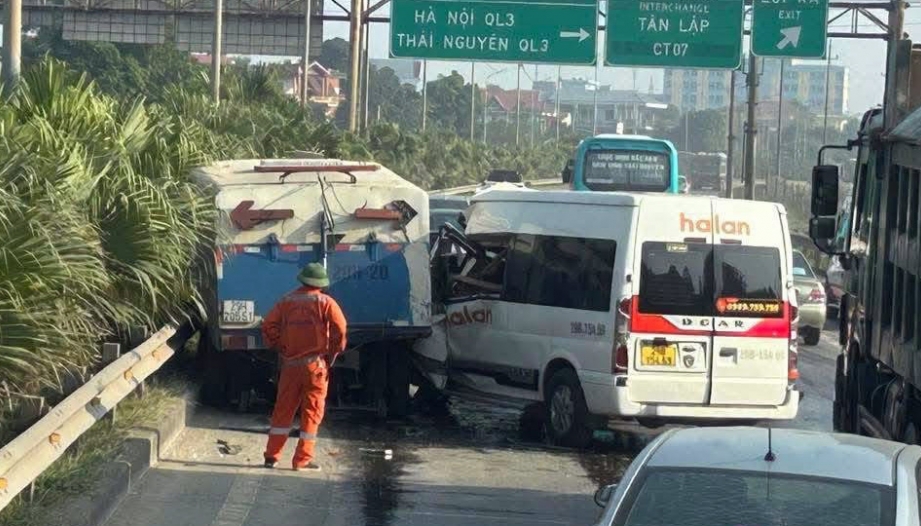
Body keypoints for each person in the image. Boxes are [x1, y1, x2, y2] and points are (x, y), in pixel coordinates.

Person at [261, 263, 347, 471]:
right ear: (320, 284)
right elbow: (340, 329)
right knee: (312, 413)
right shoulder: (326, 302)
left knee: (282, 412)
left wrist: (280, 345)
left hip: (290, 366)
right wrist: (334, 351)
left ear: (302, 280)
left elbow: (268, 326)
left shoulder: (286, 301)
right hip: (315, 367)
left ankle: (271, 457)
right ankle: (301, 461)